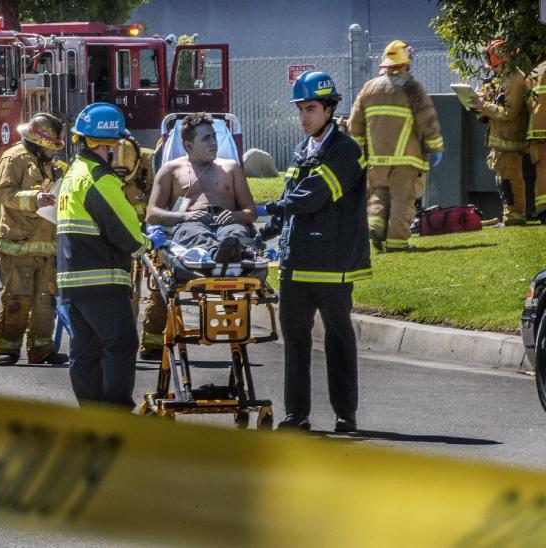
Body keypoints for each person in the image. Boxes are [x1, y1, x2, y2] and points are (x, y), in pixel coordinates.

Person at [258, 71, 371, 433]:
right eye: (300, 110)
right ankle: (297, 415)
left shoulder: (345, 151)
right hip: (295, 264)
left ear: (329, 108)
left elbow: (312, 196)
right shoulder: (302, 149)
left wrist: (265, 209)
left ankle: (345, 414)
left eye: (310, 109)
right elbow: (294, 201)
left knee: (338, 339)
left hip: (331, 266)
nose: (303, 117)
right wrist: (264, 235)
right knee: (294, 342)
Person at [56, 102, 166, 408]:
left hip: (72, 280)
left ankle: (91, 412)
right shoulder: (99, 179)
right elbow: (126, 233)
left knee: (86, 348)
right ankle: (116, 412)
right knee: (121, 343)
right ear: (106, 145)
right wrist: (148, 242)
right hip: (100, 278)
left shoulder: (73, 175)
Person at [349, 39, 444, 252]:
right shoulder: (412, 87)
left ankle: (375, 226)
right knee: (403, 200)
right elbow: (427, 119)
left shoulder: (368, 88)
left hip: (376, 159)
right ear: (405, 63)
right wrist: (435, 147)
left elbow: (355, 124)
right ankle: (397, 243)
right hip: (406, 159)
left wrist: (359, 153)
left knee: (378, 196)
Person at [0, 112, 68, 367]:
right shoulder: (14, 159)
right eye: (49, 147)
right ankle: (8, 349)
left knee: (46, 300)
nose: (53, 152)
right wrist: (33, 199)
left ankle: (41, 349)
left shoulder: (50, 164)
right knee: (17, 297)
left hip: (47, 243)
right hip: (16, 244)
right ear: (36, 141)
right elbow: (6, 195)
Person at [146, 112, 257, 263]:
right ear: (188, 145)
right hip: (190, 223)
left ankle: (230, 251)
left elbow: (251, 211)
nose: (213, 143)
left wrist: (236, 216)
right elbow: (151, 214)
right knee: (196, 234)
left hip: (227, 223)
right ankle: (218, 254)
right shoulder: (170, 170)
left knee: (235, 234)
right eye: (206, 138)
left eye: (214, 136)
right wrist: (185, 216)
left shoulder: (231, 168)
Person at [112, 137, 167, 361]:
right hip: (125, 236)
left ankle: (153, 343)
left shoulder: (153, 164)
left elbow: (166, 196)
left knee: (160, 286)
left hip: (155, 232)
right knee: (127, 291)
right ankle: (125, 345)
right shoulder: (106, 168)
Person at [470, 39, 529, 226]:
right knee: (503, 179)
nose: (493, 70)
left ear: (503, 61)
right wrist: (479, 103)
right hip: (501, 138)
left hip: (510, 137)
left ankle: (515, 217)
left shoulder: (514, 80)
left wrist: (484, 106)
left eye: (494, 66)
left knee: (511, 178)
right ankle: (509, 216)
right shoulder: (504, 78)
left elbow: (510, 112)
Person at [525, 52, 546, 224]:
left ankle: (543, 211)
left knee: (542, 171)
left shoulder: (534, 72)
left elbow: (527, 102)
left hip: (537, 131)